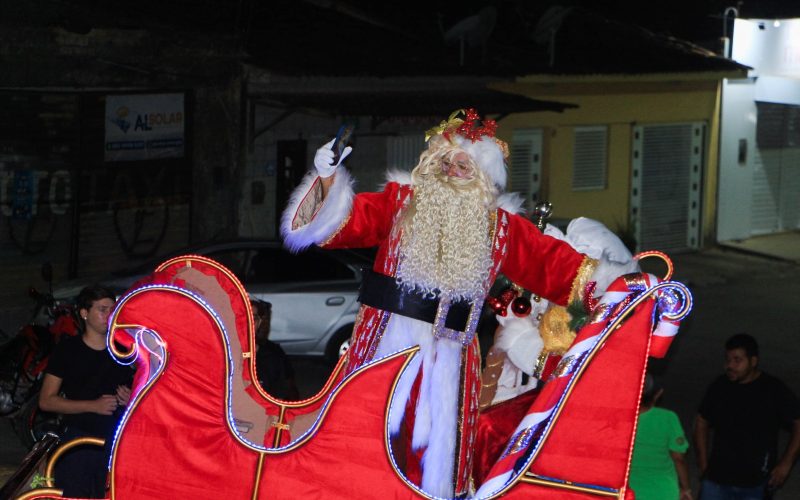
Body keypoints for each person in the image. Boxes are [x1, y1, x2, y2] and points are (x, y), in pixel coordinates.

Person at [281, 108, 631, 497]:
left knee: (435, 461)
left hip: (449, 360)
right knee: (362, 445)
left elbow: (562, 270)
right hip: (380, 349)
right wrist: (327, 179)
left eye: (465, 164)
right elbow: (331, 228)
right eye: (445, 161)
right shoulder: (399, 204)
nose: (453, 169)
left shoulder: (502, 230)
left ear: (484, 177)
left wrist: (631, 290)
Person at [39, 285, 134, 498]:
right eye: (102, 309)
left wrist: (131, 399)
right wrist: (92, 405)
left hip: (117, 440)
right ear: (84, 313)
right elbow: (46, 401)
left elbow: (143, 391)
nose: (109, 315)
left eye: (113, 309)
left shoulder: (123, 350)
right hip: (79, 441)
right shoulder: (68, 350)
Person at [694, 333, 800, 499]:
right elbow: (701, 420)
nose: (730, 366)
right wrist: (702, 462)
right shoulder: (720, 386)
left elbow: (798, 422)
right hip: (716, 480)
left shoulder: (773, 389)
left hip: (755, 483)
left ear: (753, 361)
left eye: (737, 360)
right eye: (728, 360)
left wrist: (786, 463)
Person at [629, 374, 692, 500]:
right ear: (658, 394)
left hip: (629, 492)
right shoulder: (668, 418)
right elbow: (678, 458)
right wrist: (686, 488)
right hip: (663, 492)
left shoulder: (619, 419)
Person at [250, 298, 299, 401]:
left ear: (259, 323)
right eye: (243, 317)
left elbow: (283, 396)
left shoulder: (273, 355)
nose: (248, 323)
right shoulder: (224, 352)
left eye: (253, 319)